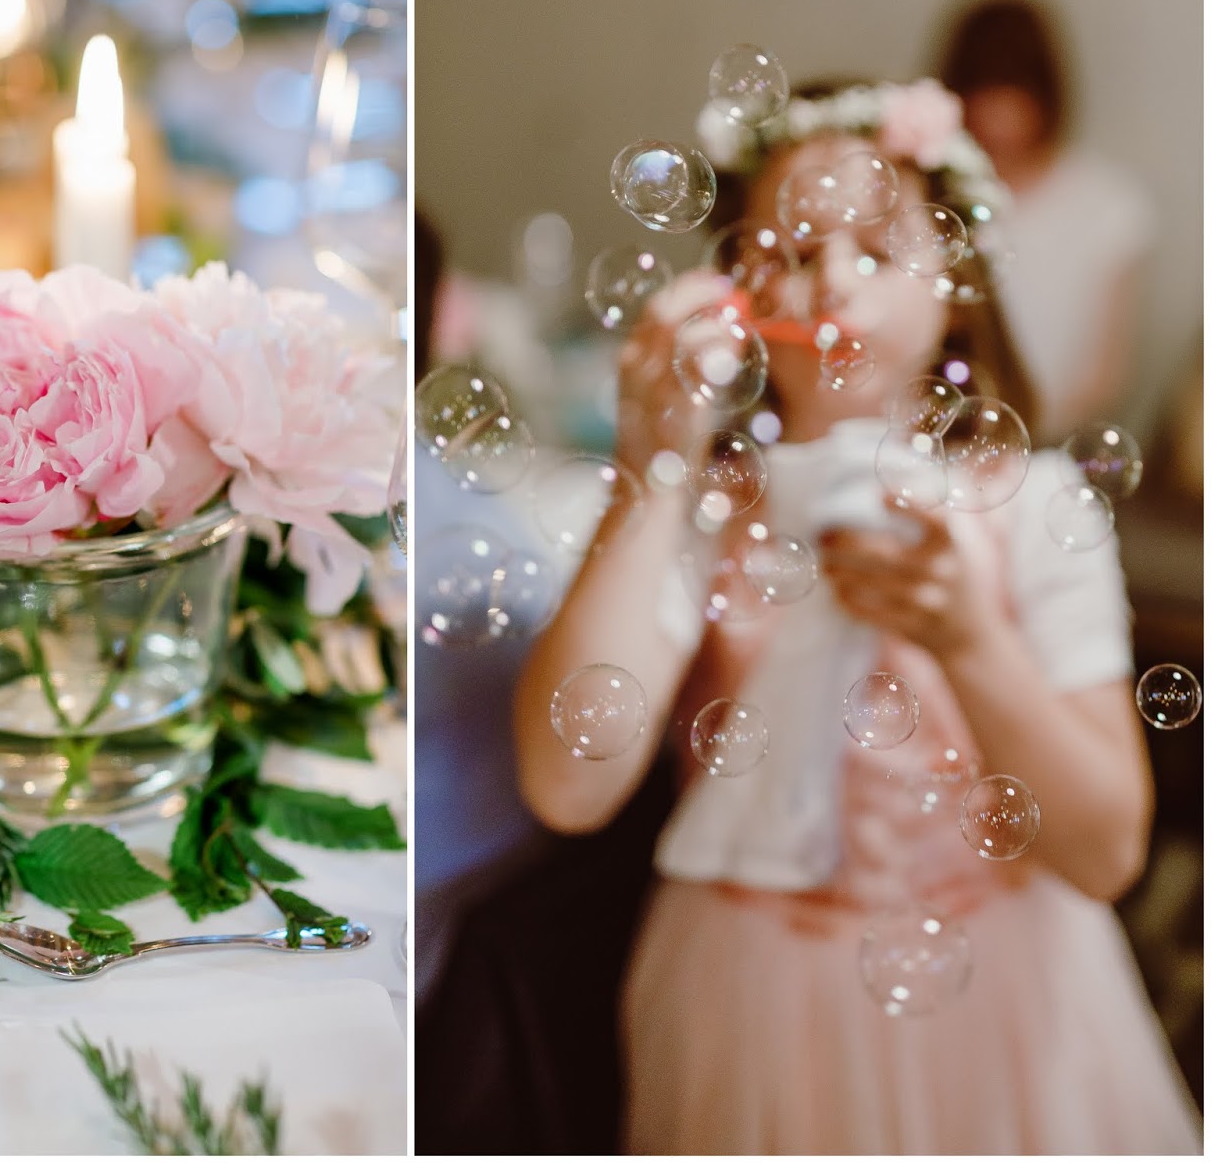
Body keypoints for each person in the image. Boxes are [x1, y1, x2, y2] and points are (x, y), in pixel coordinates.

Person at [511, 79, 1202, 1153]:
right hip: (750, 1000)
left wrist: (970, 639)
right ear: (734, 293)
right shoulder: (703, 508)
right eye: (786, 247)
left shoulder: (1030, 504)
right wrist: (649, 466)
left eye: (875, 249)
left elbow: (1106, 849)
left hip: (1005, 1000)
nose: (829, 276)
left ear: (954, 290)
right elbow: (566, 780)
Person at [937, 0, 1155, 446]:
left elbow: (1106, 373)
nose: (997, 114)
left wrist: (1017, 432)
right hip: (945, 438)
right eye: (983, 89)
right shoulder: (938, 195)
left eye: (1012, 88)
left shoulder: (1108, 204)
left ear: (1045, 91)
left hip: (1048, 444)